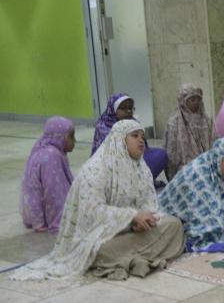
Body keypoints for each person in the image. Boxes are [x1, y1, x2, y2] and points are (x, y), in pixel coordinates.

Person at [11, 120, 185, 281]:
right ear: (119, 139)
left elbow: (148, 203)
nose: (141, 141)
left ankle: (133, 258)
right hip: (102, 237)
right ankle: (136, 257)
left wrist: (145, 220)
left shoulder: (141, 168)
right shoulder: (96, 169)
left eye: (142, 136)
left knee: (174, 225)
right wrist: (131, 218)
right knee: (99, 251)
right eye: (135, 136)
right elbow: (92, 212)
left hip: (133, 233)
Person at [91, 93, 167, 181]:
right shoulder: (103, 126)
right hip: (113, 163)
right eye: (123, 108)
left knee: (160, 154)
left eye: (130, 108)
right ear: (113, 110)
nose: (128, 111)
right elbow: (113, 154)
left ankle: (142, 182)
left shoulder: (133, 122)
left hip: (134, 158)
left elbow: (142, 148)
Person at [20, 116, 75, 233]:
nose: (74, 141)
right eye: (71, 137)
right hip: (43, 217)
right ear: (60, 138)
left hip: (34, 214)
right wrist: (59, 223)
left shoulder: (47, 149)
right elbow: (53, 193)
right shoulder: (51, 156)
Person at [164, 84, 215, 180]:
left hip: (206, 162)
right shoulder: (174, 122)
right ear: (183, 102)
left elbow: (213, 143)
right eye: (192, 100)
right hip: (185, 167)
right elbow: (172, 154)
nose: (196, 103)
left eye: (198, 99)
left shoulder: (206, 120)